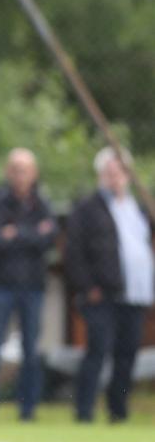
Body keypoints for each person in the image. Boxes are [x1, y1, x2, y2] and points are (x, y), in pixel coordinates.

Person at [65, 147, 153, 423]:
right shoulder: (87, 209)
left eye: (120, 172)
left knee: (126, 355)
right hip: (101, 294)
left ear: (127, 175)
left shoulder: (138, 209)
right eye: (109, 173)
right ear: (100, 175)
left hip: (135, 294)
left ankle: (118, 410)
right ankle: (84, 411)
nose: (115, 178)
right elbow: (74, 252)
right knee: (97, 352)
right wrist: (87, 287)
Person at [0, 148, 56, 421]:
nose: (19, 174)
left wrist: (15, 234)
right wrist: (30, 235)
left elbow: (48, 239)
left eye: (24, 169)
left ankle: (28, 409)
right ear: (7, 171)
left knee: (31, 352)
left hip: (32, 287)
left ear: (34, 173)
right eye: (14, 168)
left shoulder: (43, 204)